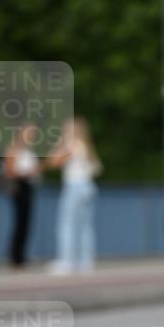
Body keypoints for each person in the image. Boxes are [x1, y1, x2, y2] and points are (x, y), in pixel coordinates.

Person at [45, 117, 102, 274]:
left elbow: (54, 162)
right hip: (88, 186)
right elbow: (97, 168)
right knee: (85, 226)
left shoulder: (71, 144)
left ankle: (67, 261)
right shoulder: (85, 145)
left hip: (75, 186)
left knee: (67, 224)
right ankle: (86, 261)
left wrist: (58, 144)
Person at [3, 123, 40, 268]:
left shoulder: (28, 151)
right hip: (19, 187)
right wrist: (27, 174)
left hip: (30, 187)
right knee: (19, 222)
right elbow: (10, 171)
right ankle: (15, 257)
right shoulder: (13, 149)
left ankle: (22, 255)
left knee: (26, 223)